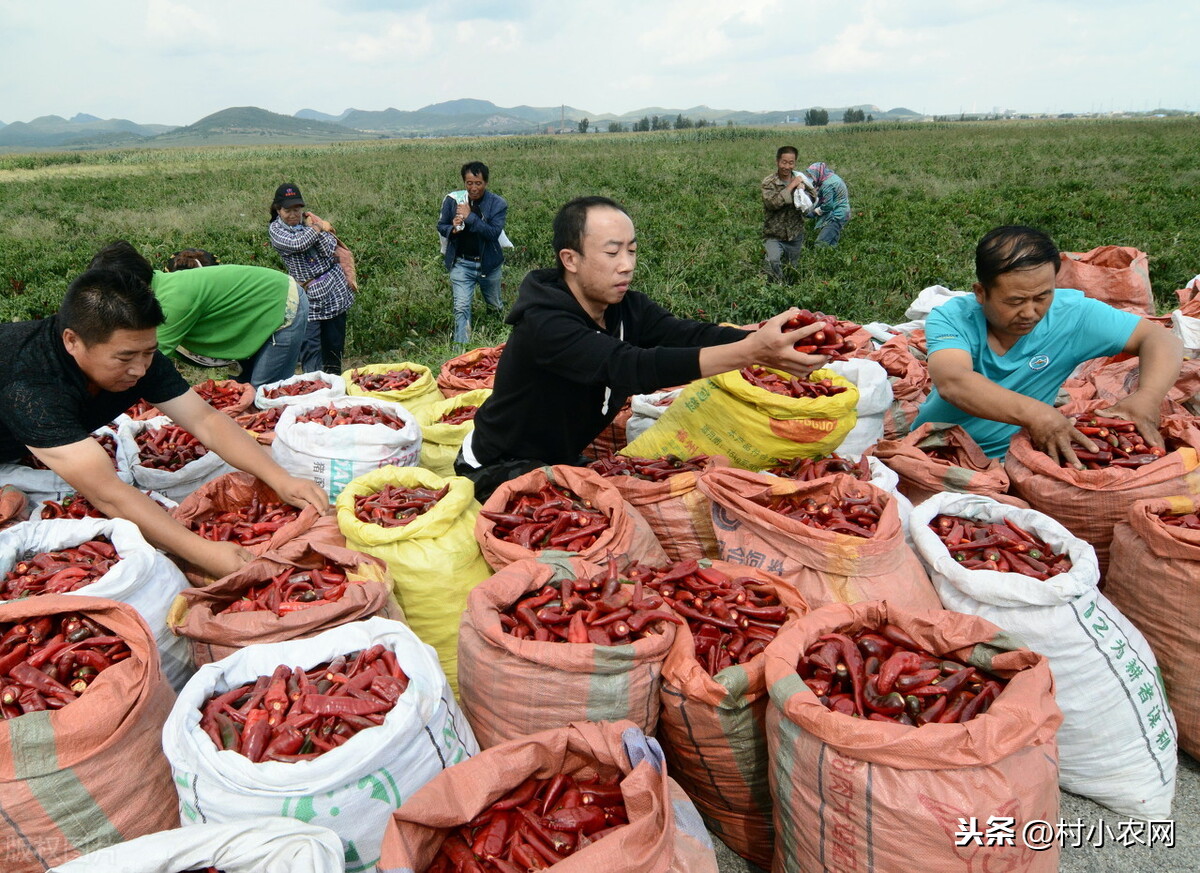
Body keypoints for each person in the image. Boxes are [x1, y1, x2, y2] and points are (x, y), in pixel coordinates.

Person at [454, 195, 831, 500]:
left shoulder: (624, 308)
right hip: (496, 464)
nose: (626, 265)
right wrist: (752, 352)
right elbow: (630, 367)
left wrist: (765, 336)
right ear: (570, 259)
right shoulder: (545, 324)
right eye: (612, 252)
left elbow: (687, 335)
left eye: (631, 251)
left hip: (556, 456)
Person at [0, 267, 329, 577]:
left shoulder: (137, 354)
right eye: (125, 357)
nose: (140, 369)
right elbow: (107, 492)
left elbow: (206, 420)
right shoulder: (30, 383)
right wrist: (201, 552)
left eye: (148, 353)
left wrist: (281, 479)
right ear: (72, 340)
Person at [914, 225, 1182, 465]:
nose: (1030, 312)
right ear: (981, 293)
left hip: (1022, 457)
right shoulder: (953, 318)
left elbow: (1160, 339)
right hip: (938, 452)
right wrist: (1037, 415)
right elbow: (953, 381)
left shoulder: (1073, 315)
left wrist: (1147, 397)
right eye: (1015, 301)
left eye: (1043, 296)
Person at [89, 241, 307, 388]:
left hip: (282, 304)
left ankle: (273, 453)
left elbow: (151, 360)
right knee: (240, 392)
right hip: (258, 314)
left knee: (262, 394)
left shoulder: (169, 300)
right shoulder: (155, 288)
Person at [268, 183, 355, 373]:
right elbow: (298, 243)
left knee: (334, 342)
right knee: (310, 345)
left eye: (297, 210)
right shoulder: (276, 230)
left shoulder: (308, 222)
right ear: (278, 209)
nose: (293, 215)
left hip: (334, 288)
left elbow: (328, 247)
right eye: (288, 210)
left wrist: (315, 229)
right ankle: (313, 385)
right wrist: (317, 228)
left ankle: (334, 380)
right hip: (308, 294)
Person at [437, 161, 507, 346]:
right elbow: (441, 225)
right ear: (464, 182)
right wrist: (452, 229)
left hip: (489, 265)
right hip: (461, 263)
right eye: (469, 183)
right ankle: (461, 351)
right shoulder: (453, 200)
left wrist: (470, 217)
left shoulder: (497, 204)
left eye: (478, 183)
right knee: (461, 307)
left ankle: (499, 341)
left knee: (494, 305)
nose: (473, 188)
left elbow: (493, 233)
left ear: (486, 183)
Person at [761, 146, 815, 282]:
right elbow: (772, 203)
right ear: (777, 162)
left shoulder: (800, 178)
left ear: (795, 163)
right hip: (774, 234)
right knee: (773, 261)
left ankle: (789, 292)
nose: (787, 166)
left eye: (791, 163)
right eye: (784, 162)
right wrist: (791, 186)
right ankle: (776, 288)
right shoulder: (769, 183)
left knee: (792, 269)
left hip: (795, 233)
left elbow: (813, 198)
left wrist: (803, 192)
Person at [807, 162, 851, 247]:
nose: (811, 178)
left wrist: (815, 212)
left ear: (818, 174)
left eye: (811, 176)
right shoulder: (830, 177)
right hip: (843, 213)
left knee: (821, 243)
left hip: (836, 216)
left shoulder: (827, 184)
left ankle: (819, 259)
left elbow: (828, 205)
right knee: (831, 244)